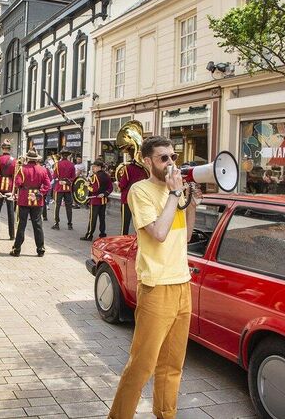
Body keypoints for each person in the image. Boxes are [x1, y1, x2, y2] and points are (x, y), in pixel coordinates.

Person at [107, 135, 202, 419]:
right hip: (157, 287)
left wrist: (192, 203)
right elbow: (158, 234)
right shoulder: (141, 191)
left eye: (173, 157)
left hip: (182, 284)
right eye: (164, 158)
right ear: (148, 162)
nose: (171, 163)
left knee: (173, 365)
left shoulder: (177, 194)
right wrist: (175, 195)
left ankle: (166, 414)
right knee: (142, 365)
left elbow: (183, 237)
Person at [9, 148, 50, 257]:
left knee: (21, 225)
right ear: (36, 159)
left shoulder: (22, 169)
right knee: (37, 225)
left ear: (28, 158)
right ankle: (40, 249)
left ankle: (17, 249)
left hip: (24, 198)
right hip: (37, 198)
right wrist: (39, 193)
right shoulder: (43, 169)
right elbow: (47, 185)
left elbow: (17, 183)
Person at [80, 160, 113, 241]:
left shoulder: (95, 176)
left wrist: (87, 186)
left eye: (94, 167)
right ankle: (102, 234)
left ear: (98, 167)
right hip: (103, 200)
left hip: (95, 200)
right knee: (102, 218)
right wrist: (105, 194)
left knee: (92, 219)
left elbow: (94, 189)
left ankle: (89, 235)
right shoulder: (107, 175)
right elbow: (110, 188)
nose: (93, 168)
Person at [117, 159, 148, 236]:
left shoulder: (128, 168)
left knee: (125, 223)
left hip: (127, 198)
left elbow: (123, 184)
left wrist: (119, 185)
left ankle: (123, 240)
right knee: (138, 222)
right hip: (139, 198)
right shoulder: (144, 169)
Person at [51, 149, 76, 230]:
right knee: (69, 207)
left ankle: (56, 223)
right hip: (68, 188)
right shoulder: (72, 165)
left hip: (59, 187)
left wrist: (61, 180)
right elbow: (74, 178)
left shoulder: (57, 164)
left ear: (61, 155)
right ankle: (70, 224)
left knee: (57, 206)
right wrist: (67, 181)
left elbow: (54, 176)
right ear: (68, 155)